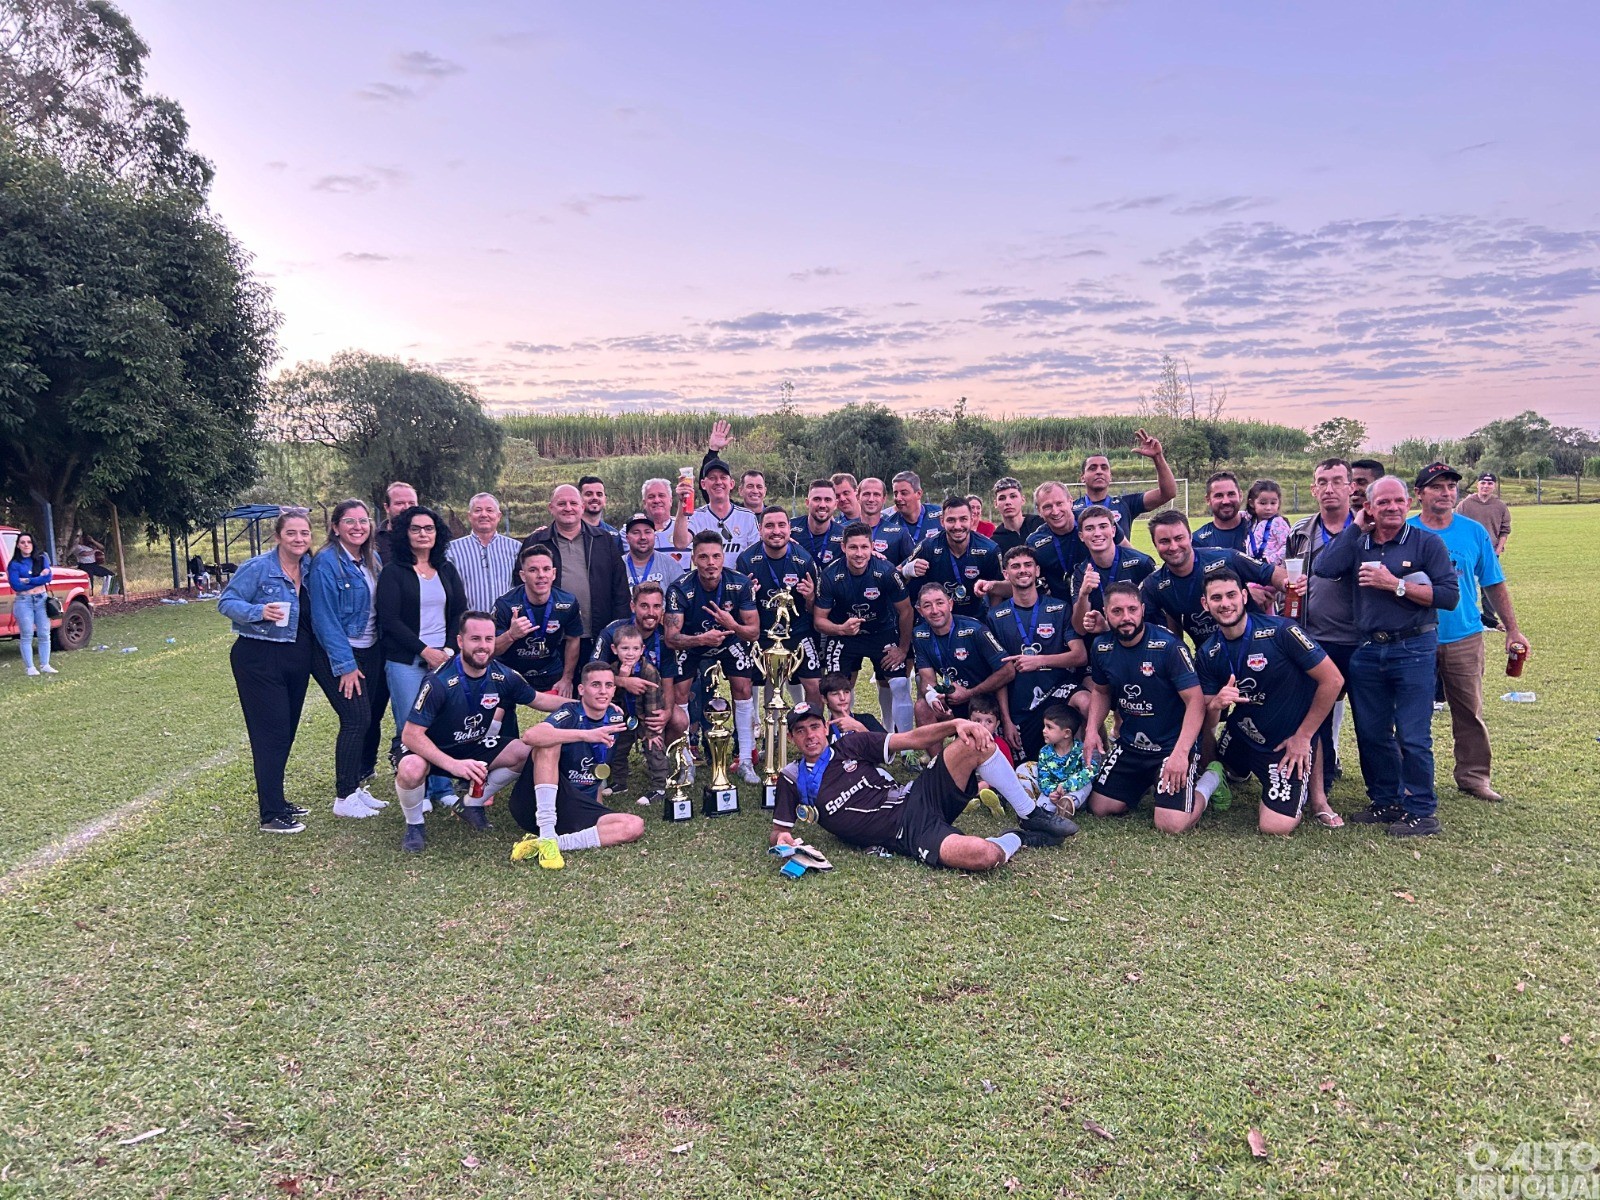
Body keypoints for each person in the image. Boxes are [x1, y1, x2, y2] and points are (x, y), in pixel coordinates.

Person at [1312, 475, 1459, 837]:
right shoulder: (1359, 543)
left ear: (1409, 504)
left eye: (1398, 502)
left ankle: (1422, 810)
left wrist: (1394, 584)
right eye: (1383, 503)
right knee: (1372, 732)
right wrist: (1354, 529)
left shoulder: (1427, 543)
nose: (1392, 508)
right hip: (1367, 649)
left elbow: (1448, 596)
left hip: (1413, 646)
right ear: (1370, 508)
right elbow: (1325, 568)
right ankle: (1386, 801)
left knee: (1412, 734)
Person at [769, 703, 1072, 872]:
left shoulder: (851, 744)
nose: (809, 736)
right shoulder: (792, 778)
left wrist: (957, 724)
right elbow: (778, 832)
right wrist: (786, 839)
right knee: (984, 856)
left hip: (917, 794)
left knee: (973, 739)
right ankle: (1016, 837)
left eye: (814, 727)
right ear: (793, 738)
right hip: (907, 832)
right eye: (800, 731)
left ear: (825, 728)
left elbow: (913, 739)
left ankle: (1029, 812)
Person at [1408, 462, 1530, 803]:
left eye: (1450, 486)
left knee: (1469, 711)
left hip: (1463, 635)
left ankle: (1474, 777)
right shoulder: (1405, 530)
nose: (1446, 493)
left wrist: (1513, 629)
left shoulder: (1473, 532)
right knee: (1410, 714)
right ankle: (1410, 778)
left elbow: (1493, 582)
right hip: (1415, 636)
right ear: (1419, 493)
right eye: (1436, 487)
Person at [1194, 569, 1344, 835]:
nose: (1225, 604)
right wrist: (1216, 704)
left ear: (1243, 596)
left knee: (1274, 826)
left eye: (1231, 595)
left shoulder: (1282, 631)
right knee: (1219, 758)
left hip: (1284, 743)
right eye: (1216, 598)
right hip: (1243, 733)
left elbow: (1332, 681)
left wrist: (1303, 736)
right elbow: (1206, 720)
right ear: (1206, 604)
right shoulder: (1208, 652)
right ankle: (1234, 773)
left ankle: (1316, 796)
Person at [1080, 582, 1224, 833]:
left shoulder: (1168, 647)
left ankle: (1209, 780)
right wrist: (1092, 730)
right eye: (1117, 611)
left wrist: (1181, 753)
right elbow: (1101, 691)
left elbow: (1196, 702)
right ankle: (1149, 779)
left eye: (1132, 609)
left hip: (1172, 745)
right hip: (1131, 745)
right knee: (1100, 807)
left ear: (1142, 609)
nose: (1126, 618)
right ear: (1105, 613)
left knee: (1171, 824)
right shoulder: (1101, 646)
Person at [393, 612, 540, 852]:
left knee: (524, 751)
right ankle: (415, 825)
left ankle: (471, 804)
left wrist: (582, 704)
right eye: (475, 639)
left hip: (469, 744)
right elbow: (411, 735)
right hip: (429, 748)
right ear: (461, 642)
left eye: (489, 639)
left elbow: (538, 700)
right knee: (411, 769)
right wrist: (453, 766)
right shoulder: (439, 680)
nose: (483, 646)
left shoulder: (502, 675)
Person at [217, 511, 316, 833]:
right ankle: (270, 814)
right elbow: (226, 602)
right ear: (278, 537)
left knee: (285, 732)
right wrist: (258, 611)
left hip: (296, 658)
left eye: (304, 533)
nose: (298, 539)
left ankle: (278, 800)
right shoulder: (259, 567)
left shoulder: (310, 568)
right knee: (269, 735)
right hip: (258, 657)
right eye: (291, 533)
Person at [511, 661, 648, 869]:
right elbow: (531, 736)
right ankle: (547, 834)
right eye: (596, 685)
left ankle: (551, 843)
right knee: (549, 742)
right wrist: (586, 735)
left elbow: (597, 768)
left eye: (608, 685)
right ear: (581, 690)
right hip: (543, 802)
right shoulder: (570, 713)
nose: (603, 691)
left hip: (578, 805)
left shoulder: (614, 716)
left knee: (634, 826)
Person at [377, 505, 469, 808]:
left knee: (443, 722)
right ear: (405, 533)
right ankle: (422, 789)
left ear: (437, 533)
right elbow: (389, 619)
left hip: (443, 659)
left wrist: (445, 649)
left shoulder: (446, 568)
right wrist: (423, 650)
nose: (422, 534)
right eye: (416, 528)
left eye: (428, 528)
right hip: (406, 662)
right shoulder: (393, 572)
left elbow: (458, 611)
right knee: (412, 727)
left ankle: (443, 788)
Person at [1284, 458, 1359, 827]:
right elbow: (1290, 580)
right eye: (1321, 482)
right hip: (1314, 637)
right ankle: (1321, 787)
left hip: (1362, 638)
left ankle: (1385, 793)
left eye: (1337, 481)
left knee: (1374, 719)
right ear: (1313, 489)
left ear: (1351, 487)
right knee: (1317, 718)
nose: (1329, 488)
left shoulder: (1369, 527)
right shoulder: (1300, 532)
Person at [308, 499, 390, 819]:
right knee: (355, 719)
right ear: (335, 527)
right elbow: (324, 617)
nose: (358, 527)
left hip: (371, 648)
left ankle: (355, 787)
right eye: (349, 521)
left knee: (365, 718)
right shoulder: (327, 562)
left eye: (363, 520)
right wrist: (346, 665)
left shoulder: (372, 558)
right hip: (341, 652)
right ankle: (343, 797)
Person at [664, 530, 763, 782]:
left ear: (723, 557)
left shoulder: (740, 583)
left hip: (730, 639)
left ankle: (745, 760)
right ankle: (685, 759)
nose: (710, 563)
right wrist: (700, 640)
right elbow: (671, 637)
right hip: (692, 642)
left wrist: (733, 625)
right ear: (694, 559)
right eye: (704, 557)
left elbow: (752, 632)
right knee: (680, 692)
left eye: (716, 556)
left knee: (743, 689)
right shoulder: (680, 588)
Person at [988, 545, 1088, 760]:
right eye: (1015, 566)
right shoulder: (995, 616)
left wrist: (1038, 661)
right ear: (1006, 574)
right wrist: (1006, 720)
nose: (1022, 570)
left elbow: (1080, 656)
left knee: (1086, 701)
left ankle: (1093, 759)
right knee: (1028, 765)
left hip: (1057, 692)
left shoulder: (1059, 609)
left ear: (1037, 571)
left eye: (1028, 565)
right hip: (1021, 705)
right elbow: (999, 674)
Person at [814, 523, 915, 728]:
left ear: (872, 547)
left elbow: (906, 611)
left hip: (882, 632)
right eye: (853, 547)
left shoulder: (886, 571)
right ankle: (844, 739)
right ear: (843, 547)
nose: (859, 553)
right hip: (844, 635)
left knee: (899, 684)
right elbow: (819, 620)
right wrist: (841, 629)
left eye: (864, 547)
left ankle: (905, 749)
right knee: (836, 687)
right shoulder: (830, 575)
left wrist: (903, 649)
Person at [518, 484, 630, 662]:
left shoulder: (603, 540)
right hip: (549, 639)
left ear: (582, 507)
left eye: (573, 503)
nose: (568, 508)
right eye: (562, 503)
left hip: (597, 635)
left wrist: (619, 631)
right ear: (551, 508)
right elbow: (519, 587)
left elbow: (620, 590)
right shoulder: (536, 541)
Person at [1141, 510, 1282, 647]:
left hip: (1258, 644)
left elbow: (1273, 574)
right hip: (1210, 658)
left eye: (1179, 538)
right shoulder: (1154, 584)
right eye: (1164, 541)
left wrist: (1289, 585)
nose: (1173, 547)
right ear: (1155, 544)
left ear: (1190, 537)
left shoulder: (1226, 558)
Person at [736, 505, 825, 710]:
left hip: (797, 631)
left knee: (814, 685)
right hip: (760, 632)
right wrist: (748, 596)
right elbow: (740, 611)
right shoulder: (747, 560)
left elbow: (815, 610)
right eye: (769, 526)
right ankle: (749, 732)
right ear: (760, 530)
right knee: (743, 683)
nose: (776, 531)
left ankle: (811, 729)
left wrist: (810, 597)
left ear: (789, 528)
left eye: (781, 525)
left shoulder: (804, 560)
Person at [591, 581, 689, 752]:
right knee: (591, 706)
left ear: (662, 610)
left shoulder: (665, 638)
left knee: (679, 720)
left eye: (656, 606)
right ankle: (603, 759)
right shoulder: (612, 633)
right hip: (615, 699)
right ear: (633, 606)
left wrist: (666, 712)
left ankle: (655, 756)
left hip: (651, 701)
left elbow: (668, 683)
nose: (651, 613)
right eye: (644, 606)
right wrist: (623, 681)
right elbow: (591, 674)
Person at [910, 586, 1010, 724]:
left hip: (985, 698)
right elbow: (927, 681)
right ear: (920, 611)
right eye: (927, 606)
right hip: (954, 698)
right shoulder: (919, 635)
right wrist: (933, 698)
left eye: (940, 603)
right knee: (922, 707)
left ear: (950, 604)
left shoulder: (975, 629)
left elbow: (1008, 670)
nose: (934, 610)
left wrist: (969, 693)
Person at [493, 544, 583, 695]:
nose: (541, 575)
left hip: (551, 674)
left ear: (554, 573)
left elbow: (573, 639)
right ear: (523, 576)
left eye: (546, 569)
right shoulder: (505, 604)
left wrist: (567, 679)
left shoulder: (568, 602)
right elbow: (492, 649)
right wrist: (510, 635)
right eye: (533, 570)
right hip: (512, 674)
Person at [902, 496, 1004, 621]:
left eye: (963, 519)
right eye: (951, 520)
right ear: (942, 521)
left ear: (972, 520)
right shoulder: (927, 547)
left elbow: (998, 591)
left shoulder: (989, 549)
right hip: (937, 620)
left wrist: (993, 620)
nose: (957, 526)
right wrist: (908, 570)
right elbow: (898, 575)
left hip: (976, 620)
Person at [602, 623, 670, 805]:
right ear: (614, 649)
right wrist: (622, 681)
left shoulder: (649, 671)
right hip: (625, 720)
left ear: (642, 650)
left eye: (635, 648)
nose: (630, 653)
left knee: (654, 747)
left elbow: (653, 703)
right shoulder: (612, 670)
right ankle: (619, 782)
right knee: (617, 748)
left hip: (647, 719)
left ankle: (659, 787)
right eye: (624, 648)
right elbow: (609, 699)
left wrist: (651, 731)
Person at [1069, 504, 1157, 636]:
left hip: (1144, 640)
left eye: (1103, 526)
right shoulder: (1080, 573)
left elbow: (1160, 613)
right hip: (1106, 645)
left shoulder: (1141, 563)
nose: (1097, 533)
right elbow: (1080, 629)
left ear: (1113, 531)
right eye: (1089, 528)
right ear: (1081, 536)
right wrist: (1083, 594)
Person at [1075, 429, 1176, 543]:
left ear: (1110, 476)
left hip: (1120, 561)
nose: (1099, 471)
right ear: (1082, 477)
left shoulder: (1126, 504)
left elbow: (1168, 493)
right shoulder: (1072, 509)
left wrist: (1158, 457)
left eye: (1104, 468)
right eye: (1092, 468)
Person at [445, 492, 522, 612]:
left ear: (499, 516)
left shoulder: (515, 548)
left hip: (507, 623)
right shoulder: (451, 550)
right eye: (478, 510)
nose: (484, 515)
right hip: (468, 624)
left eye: (489, 510)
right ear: (469, 516)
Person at [1455, 472, 1511, 628]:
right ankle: (1466, 616)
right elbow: (1455, 524)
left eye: (1490, 483)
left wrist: (1498, 550)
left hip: (1490, 552)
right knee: (1465, 583)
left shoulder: (1500, 506)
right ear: (1477, 485)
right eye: (1483, 483)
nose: (1486, 486)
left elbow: (1505, 530)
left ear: (1494, 486)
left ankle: (1488, 620)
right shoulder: (1466, 504)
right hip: (1468, 552)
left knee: (1489, 586)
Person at [677, 456, 760, 560]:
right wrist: (682, 502)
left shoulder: (747, 517)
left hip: (738, 576)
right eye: (712, 478)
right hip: (706, 576)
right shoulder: (696, 516)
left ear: (731, 484)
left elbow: (757, 554)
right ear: (703, 484)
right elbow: (680, 544)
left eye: (723, 477)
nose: (718, 482)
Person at [1031, 704, 1097, 815]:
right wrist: (1052, 791)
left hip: (1075, 791)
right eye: (1044, 726)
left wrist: (1067, 785)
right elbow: (1044, 777)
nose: (1044, 731)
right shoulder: (1045, 752)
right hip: (1055, 792)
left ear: (1066, 733)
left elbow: (1091, 769)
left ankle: (1068, 804)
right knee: (1042, 803)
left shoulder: (1081, 750)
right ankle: (1049, 810)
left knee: (1087, 785)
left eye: (1049, 727)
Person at [8, 532, 57, 676]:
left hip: (41, 599)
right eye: (22, 542)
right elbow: (16, 585)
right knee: (27, 633)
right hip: (24, 601)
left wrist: (28, 580)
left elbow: (48, 577)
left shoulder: (41, 559)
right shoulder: (15, 564)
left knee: (44, 632)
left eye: (29, 542)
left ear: (33, 544)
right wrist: (38, 578)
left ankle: (45, 664)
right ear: (18, 545)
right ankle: (30, 667)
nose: (26, 545)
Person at [1024, 481, 1082, 598]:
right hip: (1060, 609)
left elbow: (1125, 552)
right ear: (1039, 511)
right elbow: (1024, 579)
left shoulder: (1093, 522)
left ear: (1070, 502)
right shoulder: (1034, 542)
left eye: (1059, 503)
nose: (1055, 511)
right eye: (1047, 507)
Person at [1243, 479, 1292, 612]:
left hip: (1272, 572)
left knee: (1252, 594)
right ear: (1252, 503)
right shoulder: (1250, 521)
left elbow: (1287, 546)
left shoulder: (1278, 522)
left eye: (1273, 503)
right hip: (1254, 570)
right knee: (1265, 605)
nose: (1268, 508)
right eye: (1263, 503)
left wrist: (1270, 559)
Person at [620, 511, 685, 592]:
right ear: (627, 538)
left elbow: (683, 596)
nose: (643, 537)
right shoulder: (617, 566)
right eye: (636, 532)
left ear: (654, 536)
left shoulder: (670, 565)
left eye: (647, 532)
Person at [856, 477, 916, 563]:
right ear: (858, 497)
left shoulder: (899, 533)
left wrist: (898, 570)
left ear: (884, 498)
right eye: (866, 494)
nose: (871, 499)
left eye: (876, 494)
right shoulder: (843, 530)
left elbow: (913, 563)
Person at [1192, 471, 1253, 553]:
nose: (1226, 501)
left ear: (1240, 496)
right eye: (1219, 496)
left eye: (1231, 494)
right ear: (1208, 500)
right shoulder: (1198, 541)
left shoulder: (1258, 529)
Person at [791, 479, 845, 570]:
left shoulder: (844, 535)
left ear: (835, 504)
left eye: (827, 500)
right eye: (817, 499)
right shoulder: (789, 528)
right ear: (807, 503)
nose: (822, 505)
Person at [881, 470, 942, 548]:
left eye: (904, 493)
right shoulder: (889, 523)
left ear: (918, 494)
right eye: (895, 494)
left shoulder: (939, 515)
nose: (898, 498)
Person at [819, 671, 886, 738]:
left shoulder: (867, 720)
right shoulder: (824, 730)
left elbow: (889, 746)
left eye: (846, 692)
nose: (842, 698)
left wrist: (860, 728)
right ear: (824, 699)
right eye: (835, 694)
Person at [989, 476, 1044, 555]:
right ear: (995, 504)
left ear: (1023, 500)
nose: (1008, 502)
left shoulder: (1040, 524)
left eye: (1013, 496)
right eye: (1002, 498)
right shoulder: (995, 542)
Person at [374, 481, 418, 566]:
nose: (406, 508)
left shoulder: (428, 538)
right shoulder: (373, 540)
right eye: (399, 503)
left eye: (411, 503)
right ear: (387, 507)